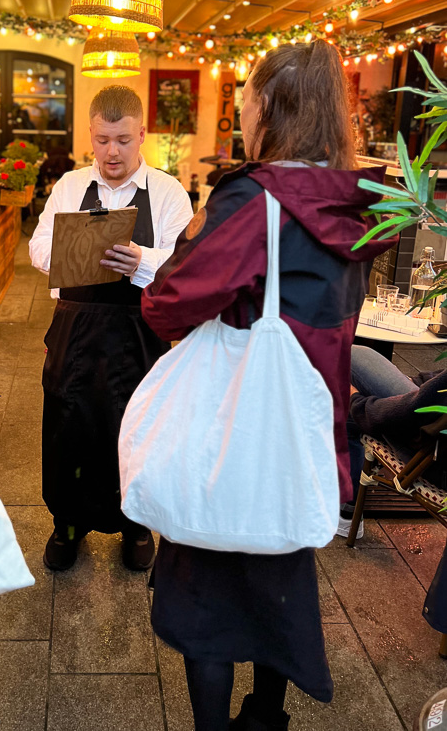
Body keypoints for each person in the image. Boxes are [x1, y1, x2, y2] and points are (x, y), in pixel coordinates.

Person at [140, 40, 394, 731]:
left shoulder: (255, 201)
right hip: (309, 431)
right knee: (277, 590)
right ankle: (265, 717)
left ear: (269, 107)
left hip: (236, 432)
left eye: (247, 100)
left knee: (210, 606)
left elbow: (166, 302)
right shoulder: (361, 205)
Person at [29, 85, 192, 572]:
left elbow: (184, 263)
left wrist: (141, 260)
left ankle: (137, 525)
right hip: (74, 330)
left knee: (136, 428)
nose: (112, 152)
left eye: (122, 139)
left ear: (142, 134)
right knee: (68, 427)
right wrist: (72, 251)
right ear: (91, 135)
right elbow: (37, 246)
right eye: (102, 140)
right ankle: (67, 525)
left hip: (138, 331)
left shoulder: (166, 192)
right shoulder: (69, 185)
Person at [341, 344, 447, 538]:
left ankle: (346, 506)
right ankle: (346, 509)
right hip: (432, 428)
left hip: (431, 452)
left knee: (345, 355)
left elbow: (411, 412)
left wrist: (356, 401)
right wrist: (421, 384)